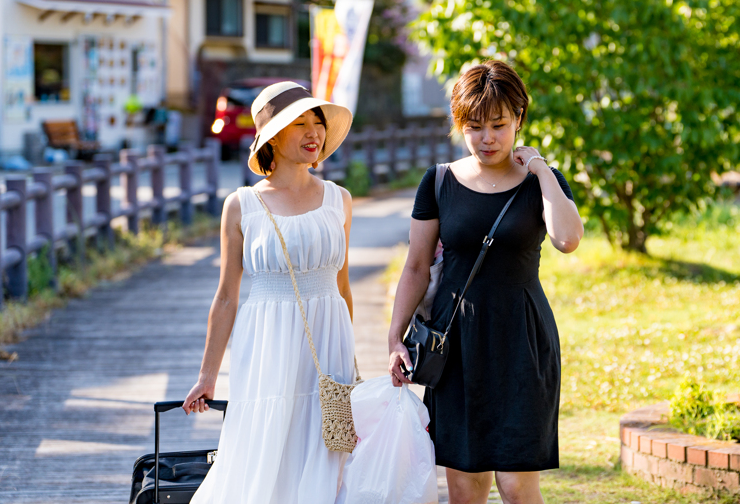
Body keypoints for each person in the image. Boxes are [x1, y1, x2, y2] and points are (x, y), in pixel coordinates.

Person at [388, 60, 584, 504]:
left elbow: (568, 239)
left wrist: (540, 169)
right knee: (465, 486)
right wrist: (394, 338)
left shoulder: (542, 183)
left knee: (516, 486)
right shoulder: (439, 181)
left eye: (498, 124)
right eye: (474, 126)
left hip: (523, 339)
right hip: (456, 345)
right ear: (460, 126)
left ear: (519, 119)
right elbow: (417, 266)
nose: (487, 138)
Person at [184, 81, 357, 503]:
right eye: (298, 123)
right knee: (265, 449)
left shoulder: (340, 199)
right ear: (272, 138)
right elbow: (227, 295)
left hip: (327, 348)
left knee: (324, 454)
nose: (312, 132)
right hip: (267, 347)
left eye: (316, 122)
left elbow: (342, 284)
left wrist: (351, 365)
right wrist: (207, 376)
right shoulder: (241, 205)